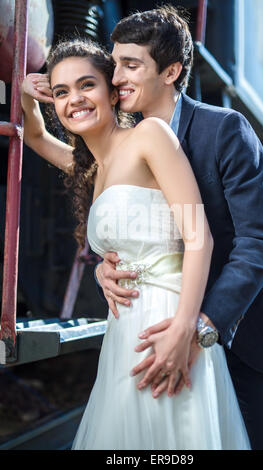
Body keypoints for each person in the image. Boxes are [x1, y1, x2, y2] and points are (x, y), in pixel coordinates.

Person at [21, 39, 251, 449]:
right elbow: (36, 138)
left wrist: (186, 330)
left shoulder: (150, 135)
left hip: (168, 321)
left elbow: (199, 236)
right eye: (61, 92)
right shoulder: (93, 170)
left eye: (86, 85)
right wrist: (25, 91)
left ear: (113, 92)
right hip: (124, 331)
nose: (74, 99)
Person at [94, 6, 263, 450]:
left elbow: (260, 240)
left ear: (171, 71)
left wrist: (201, 327)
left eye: (131, 65)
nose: (116, 78)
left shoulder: (225, 129)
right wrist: (104, 266)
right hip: (159, 329)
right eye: (115, 64)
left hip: (240, 333)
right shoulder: (126, 144)